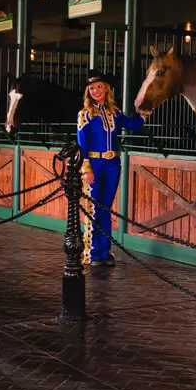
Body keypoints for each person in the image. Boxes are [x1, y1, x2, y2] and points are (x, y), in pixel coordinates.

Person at [76, 70, 147, 267]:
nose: (96, 91)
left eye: (99, 87)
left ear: (106, 89)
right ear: (88, 92)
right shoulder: (85, 115)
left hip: (113, 165)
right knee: (94, 209)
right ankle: (93, 253)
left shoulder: (115, 113)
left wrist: (145, 112)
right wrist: (86, 169)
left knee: (105, 209)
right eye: (92, 88)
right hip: (94, 165)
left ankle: (105, 251)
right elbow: (82, 144)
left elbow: (133, 125)